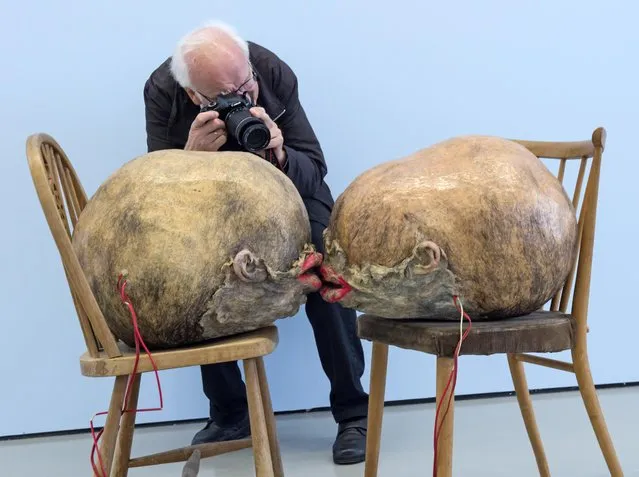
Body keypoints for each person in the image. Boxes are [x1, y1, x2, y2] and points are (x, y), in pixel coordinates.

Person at [142, 20, 369, 465]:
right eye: (222, 96)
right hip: (213, 208)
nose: (240, 99)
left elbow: (315, 168)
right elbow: (158, 194)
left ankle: (353, 412)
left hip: (290, 194)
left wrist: (281, 152)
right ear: (194, 96)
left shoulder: (269, 71)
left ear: (250, 66)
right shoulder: (163, 92)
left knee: (324, 263)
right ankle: (230, 412)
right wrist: (188, 160)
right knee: (195, 270)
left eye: (244, 86)